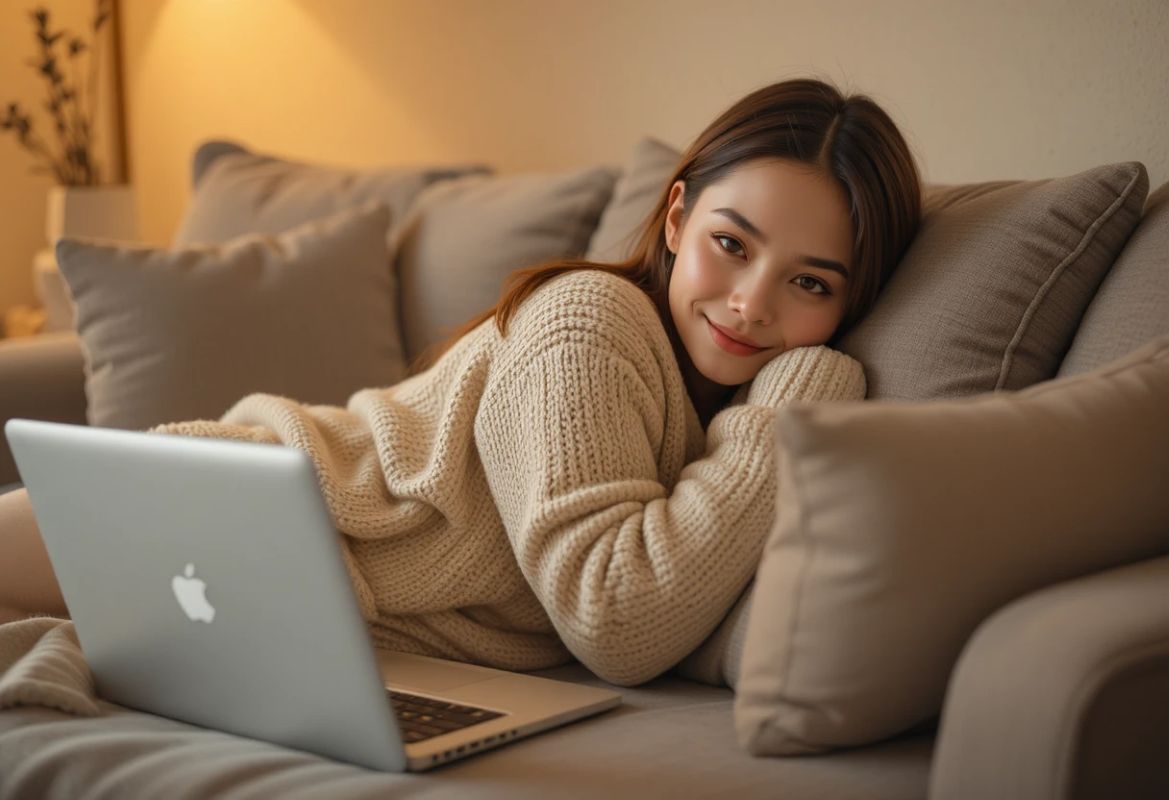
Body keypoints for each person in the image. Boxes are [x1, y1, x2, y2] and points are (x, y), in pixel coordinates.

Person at [0, 77, 921, 688]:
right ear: (676, 217)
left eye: (810, 283)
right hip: (235, 508)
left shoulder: (719, 399)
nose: (752, 304)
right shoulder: (591, 317)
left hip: (302, 615)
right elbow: (616, 619)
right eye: (732, 243)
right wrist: (794, 401)